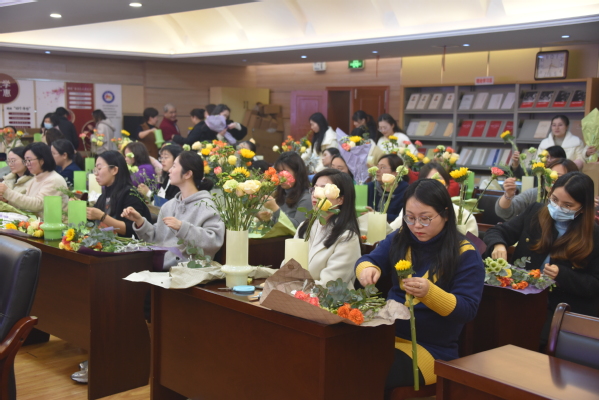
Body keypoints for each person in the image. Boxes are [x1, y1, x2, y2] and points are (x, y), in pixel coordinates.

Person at [355, 179, 484, 392]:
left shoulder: (465, 253)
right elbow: (368, 259)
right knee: (341, 357)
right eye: (410, 217)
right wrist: (367, 269)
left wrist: (430, 293)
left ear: (445, 214)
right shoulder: (401, 238)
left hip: (432, 349)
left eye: (425, 219)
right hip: (386, 335)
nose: (416, 226)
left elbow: (467, 310)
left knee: (369, 370)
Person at [484, 172, 599, 347]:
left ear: (583, 207)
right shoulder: (536, 213)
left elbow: (594, 285)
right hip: (521, 298)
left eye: (568, 205)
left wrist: (562, 275)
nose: (558, 208)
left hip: (561, 310)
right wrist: (499, 245)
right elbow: (497, 231)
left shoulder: (593, 235)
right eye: (554, 200)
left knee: (536, 342)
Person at [123, 151, 225, 269]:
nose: (170, 170)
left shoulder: (206, 205)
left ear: (187, 174)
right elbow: (156, 240)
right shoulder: (169, 206)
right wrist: (140, 221)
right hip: (159, 267)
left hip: (187, 272)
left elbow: (214, 241)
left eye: (174, 166)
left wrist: (183, 228)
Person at [294, 169, 361, 288]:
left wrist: (293, 287)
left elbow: (329, 285)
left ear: (340, 199)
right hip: (296, 292)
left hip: (326, 298)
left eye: (324, 189)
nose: (315, 194)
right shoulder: (304, 227)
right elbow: (287, 268)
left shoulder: (347, 237)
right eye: (314, 188)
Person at [390, 162, 478, 236]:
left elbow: (472, 246)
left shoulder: (464, 215)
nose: (417, 225)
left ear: (447, 186)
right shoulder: (411, 211)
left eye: (425, 218)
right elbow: (391, 232)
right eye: (428, 182)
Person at [87, 150, 152, 237]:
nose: (96, 173)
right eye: (95, 169)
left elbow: (132, 230)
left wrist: (102, 216)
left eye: (99, 169)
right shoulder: (104, 195)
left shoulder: (130, 194)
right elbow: (92, 219)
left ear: (114, 170)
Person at [0, 142, 68, 218]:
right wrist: (7, 199)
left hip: (53, 223)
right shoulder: (37, 177)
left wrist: (8, 192)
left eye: (29, 160)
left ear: (42, 160)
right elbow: (27, 203)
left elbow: (38, 204)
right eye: (25, 161)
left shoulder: (54, 179)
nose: (27, 164)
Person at [496, 159, 578, 221]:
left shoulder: (574, 200)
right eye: (548, 175)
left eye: (559, 177)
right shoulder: (534, 194)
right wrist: (508, 195)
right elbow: (504, 212)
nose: (551, 180)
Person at [259, 151, 311, 228]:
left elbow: (298, 228)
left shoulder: (306, 198)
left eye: (285, 172)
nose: (281, 176)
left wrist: (275, 208)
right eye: (278, 172)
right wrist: (267, 220)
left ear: (297, 173)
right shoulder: (281, 193)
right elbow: (278, 224)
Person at [367, 154, 409, 223]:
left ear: (396, 172)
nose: (377, 170)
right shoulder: (370, 187)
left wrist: (377, 215)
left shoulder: (406, 191)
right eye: (377, 166)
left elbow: (403, 218)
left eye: (383, 167)